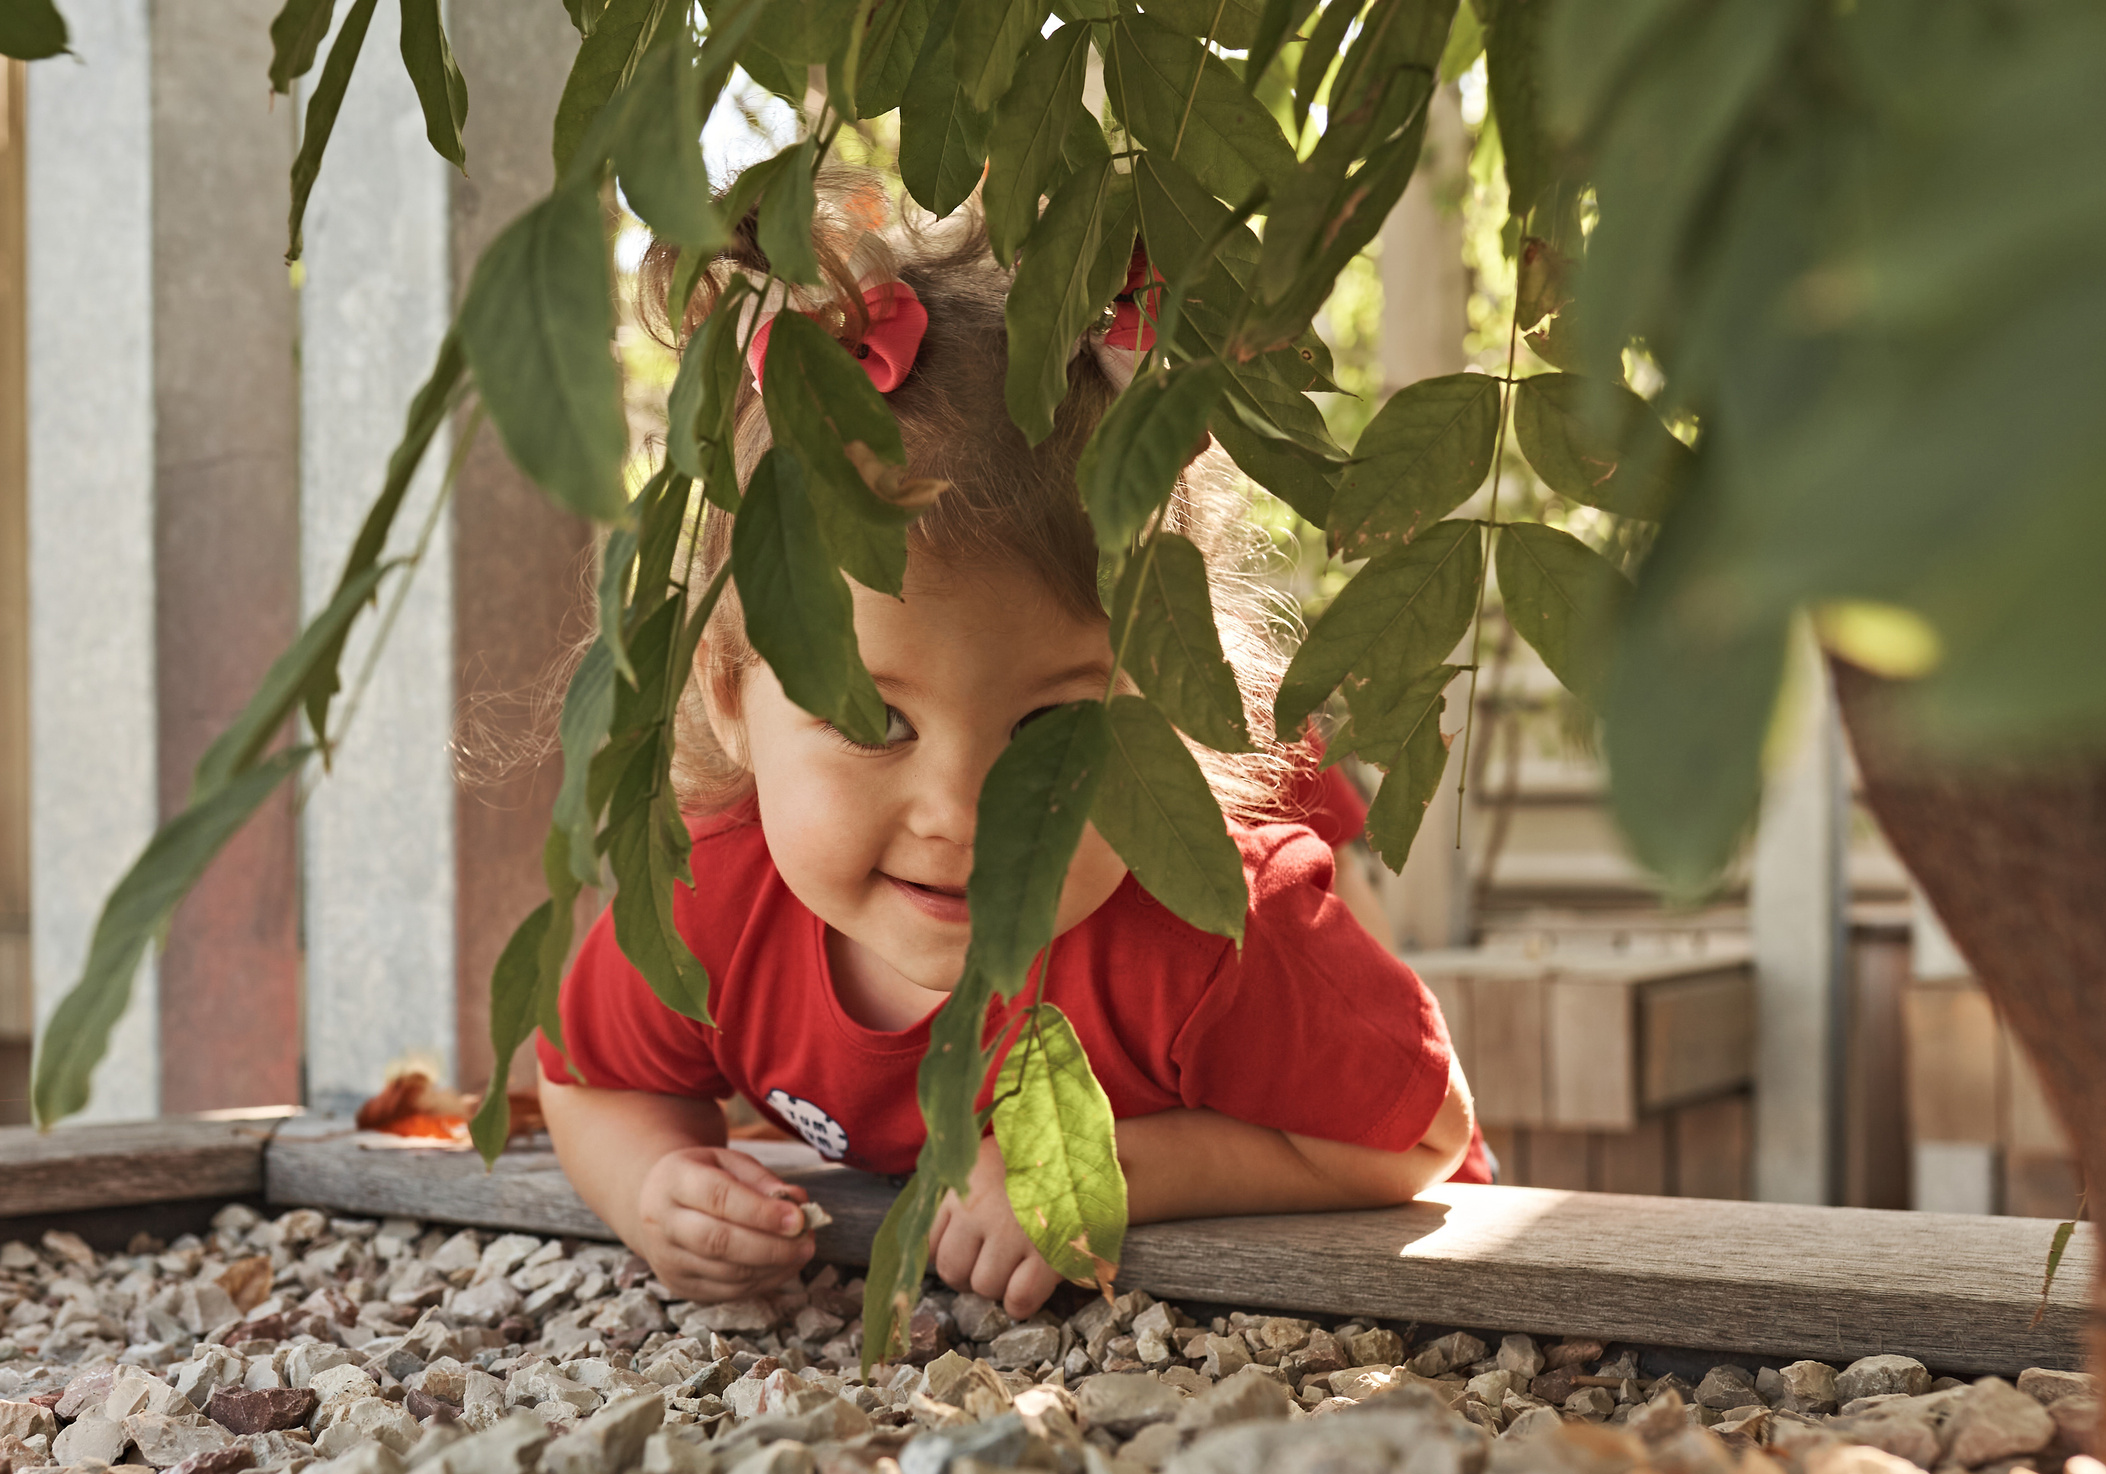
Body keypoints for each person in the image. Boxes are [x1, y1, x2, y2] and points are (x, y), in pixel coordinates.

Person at [535, 179, 1490, 1322]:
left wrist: (1113, 1167)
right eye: (874, 719)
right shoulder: (709, 901)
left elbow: (1423, 1136)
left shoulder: (1207, 934)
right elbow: (592, 1081)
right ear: (732, 694)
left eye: (1049, 730)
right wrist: (653, 1187)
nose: (959, 811)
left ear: (1159, 707)